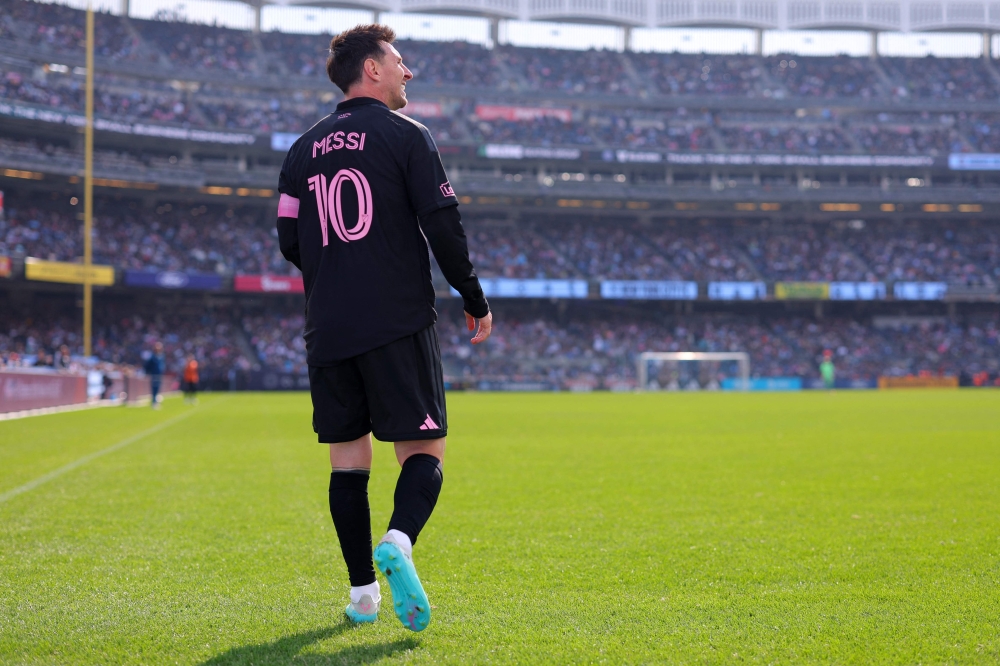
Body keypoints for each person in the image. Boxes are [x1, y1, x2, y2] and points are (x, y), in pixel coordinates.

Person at [276, 23, 492, 632]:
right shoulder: (407, 136)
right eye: (400, 61)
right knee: (423, 450)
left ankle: (363, 594)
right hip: (396, 317)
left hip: (328, 327)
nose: (408, 71)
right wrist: (472, 296)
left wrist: (335, 270)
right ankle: (398, 539)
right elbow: (442, 226)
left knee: (348, 462)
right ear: (371, 69)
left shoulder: (300, 150)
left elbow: (289, 238)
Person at [143, 342, 165, 408]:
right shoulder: (152, 356)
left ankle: (156, 400)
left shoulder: (162, 356)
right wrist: (147, 372)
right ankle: (154, 402)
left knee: (158, 388)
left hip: (159, 374)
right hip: (154, 374)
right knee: (154, 388)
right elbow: (147, 365)